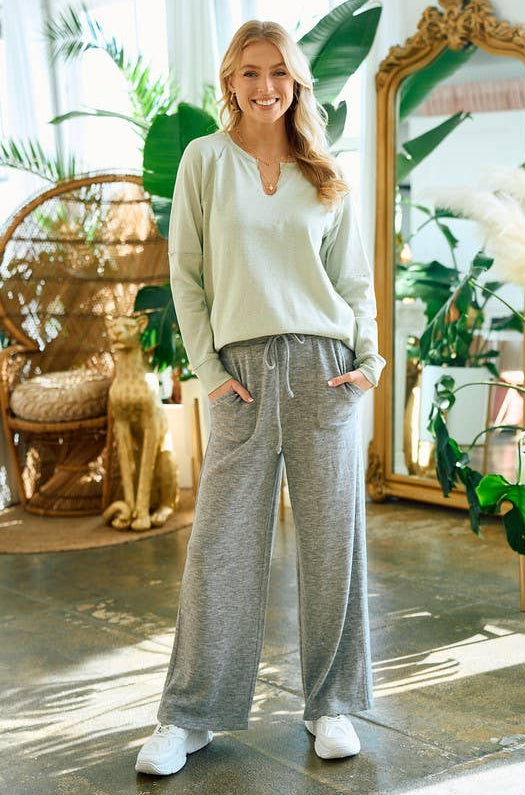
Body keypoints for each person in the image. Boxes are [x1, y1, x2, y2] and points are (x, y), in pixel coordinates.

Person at [135, 18, 386, 777]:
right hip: (239, 372)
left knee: (332, 544)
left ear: (297, 82)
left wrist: (369, 361)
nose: (265, 85)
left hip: (324, 368)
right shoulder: (204, 160)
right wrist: (210, 374)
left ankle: (330, 704)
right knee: (219, 547)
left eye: (279, 71)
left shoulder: (323, 171)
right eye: (250, 71)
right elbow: (186, 275)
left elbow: (353, 280)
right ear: (230, 81)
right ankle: (189, 714)